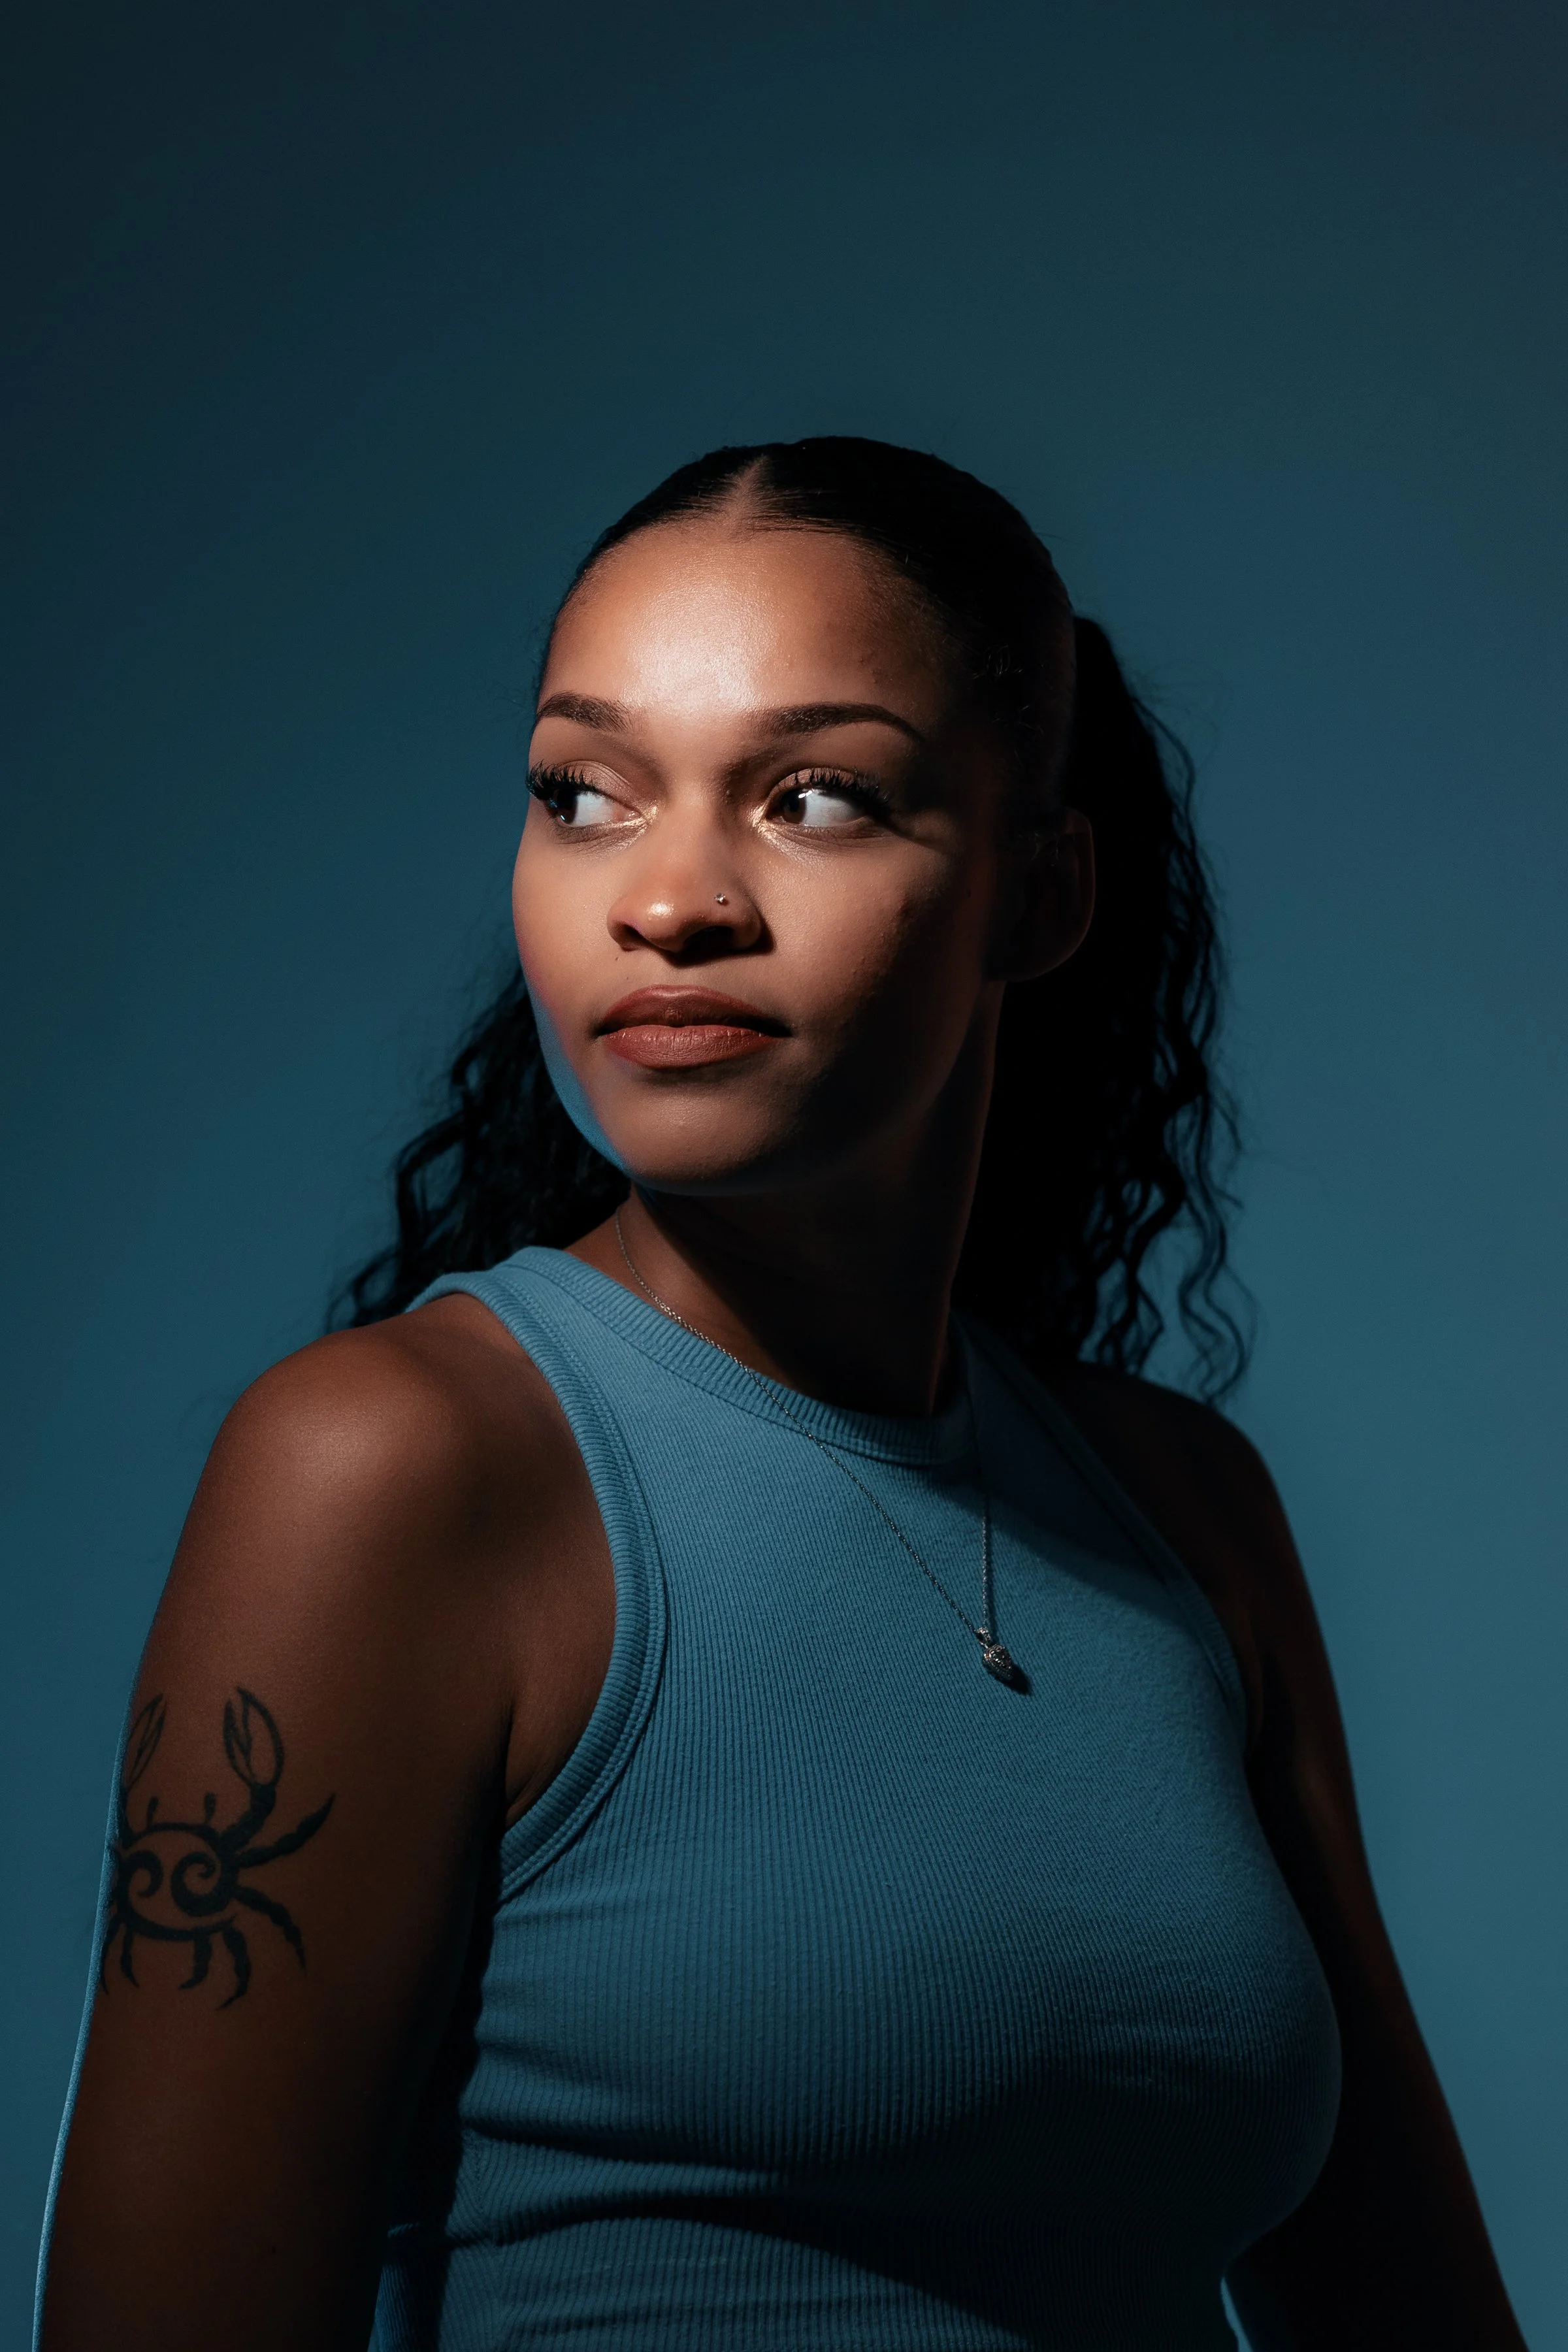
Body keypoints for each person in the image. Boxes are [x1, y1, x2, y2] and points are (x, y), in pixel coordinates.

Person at [37, 438, 1524, 2351]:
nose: (666, 902)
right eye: (585, 793)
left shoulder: (1182, 1517)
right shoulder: (395, 1469)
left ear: (1039, 894)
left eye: (813, 797)